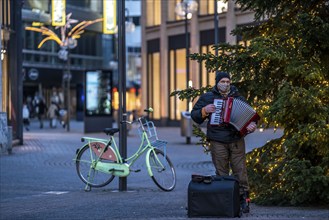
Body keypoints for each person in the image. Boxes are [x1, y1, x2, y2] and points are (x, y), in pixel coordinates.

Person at [191, 72, 257, 213]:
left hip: (236, 139)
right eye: (223, 81)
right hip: (217, 140)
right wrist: (204, 110)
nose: (226, 84)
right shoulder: (207, 97)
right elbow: (195, 116)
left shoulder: (238, 97)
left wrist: (252, 126)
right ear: (217, 82)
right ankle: (225, 201)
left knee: (241, 172)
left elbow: (251, 116)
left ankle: (244, 200)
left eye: (228, 81)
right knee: (222, 172)